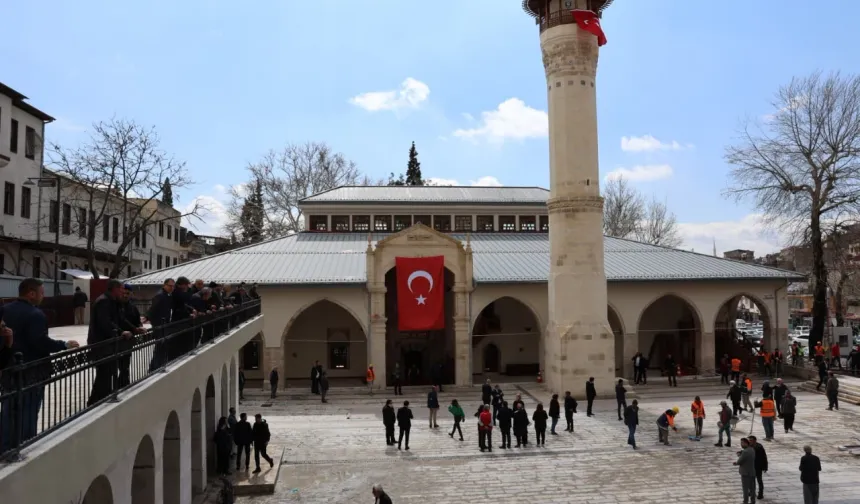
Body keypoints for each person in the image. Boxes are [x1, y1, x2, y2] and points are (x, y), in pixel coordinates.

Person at [0, 278, 79, 452]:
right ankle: (25, 445)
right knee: (28, 410)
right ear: (31, 293)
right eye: (42, 293)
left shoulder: (4, 311)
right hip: (32, 371)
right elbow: (40, 342)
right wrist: (63, 345)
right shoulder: (36, 315)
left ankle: (5, 447)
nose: (43, 296)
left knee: (8, 410)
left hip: (8, 368)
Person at [87, 279, 131, 407]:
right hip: (102, 345)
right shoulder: (104, 301)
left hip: (109, 345)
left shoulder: (113, 302)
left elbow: (120, 320)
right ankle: (94, 403)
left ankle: (102, 398)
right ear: (115, 289)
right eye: (122, 289)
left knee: (109, 373)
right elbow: (105, 323)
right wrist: (120, 332)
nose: (123, 292)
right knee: (104, 375)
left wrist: (132, 329)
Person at [117, 284, 145, 388]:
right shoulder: (116, 305)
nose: (125, 295)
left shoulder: (132, 307)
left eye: (127, 293)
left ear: (131, 294)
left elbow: (137, 321)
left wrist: (139, 327)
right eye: (123, 293)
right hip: (118, 339)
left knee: (125, 366)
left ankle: (123, 385)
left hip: (128, 341)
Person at [734, 437, 756, 504]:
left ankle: (745, 501)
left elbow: (739, 461)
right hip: (752, 472)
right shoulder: (752, 449)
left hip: (745, 473)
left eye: (742, 443)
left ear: (746, 443)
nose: (741, 444)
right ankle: (753, 501)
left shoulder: (745, 452)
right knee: (752, 488)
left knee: (745, 489)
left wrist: (737, 460)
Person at [748, 435, 768, 500]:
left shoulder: (759, 447)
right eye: (749, 440)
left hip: (758, 467)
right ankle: (751, 492)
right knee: (751, 480)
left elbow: (764, 457)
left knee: (759, 480)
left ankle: (760, 494)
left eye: (751, 440)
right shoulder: (748, 447)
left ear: (755, 440)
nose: (750, 441)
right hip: (751, 466)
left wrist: (765, 467)